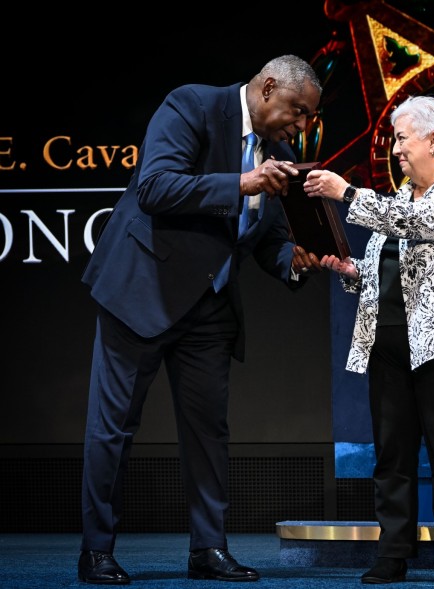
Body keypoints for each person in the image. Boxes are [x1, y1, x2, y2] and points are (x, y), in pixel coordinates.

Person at [77, 54, 324, 585]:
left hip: (209, 307)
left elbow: (270, 239)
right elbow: (156, 187)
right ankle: (96, 551)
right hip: (140, 291)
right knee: (113, 430)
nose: (301, 125)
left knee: (209, 433)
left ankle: (208, 549)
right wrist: (241, 183)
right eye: (297, 111)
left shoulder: (279, 154)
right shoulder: (192, 105)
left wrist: (295, 263)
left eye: (307, 118)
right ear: (268, 86)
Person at [303, 95, 434, 585]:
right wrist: (351, 271)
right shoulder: (396, 200)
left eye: (402, 138)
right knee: (391, 457)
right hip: (390, 344)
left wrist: (345, 192)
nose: (395, 149)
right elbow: (385, 268)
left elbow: (417, 227)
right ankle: (392, 553)